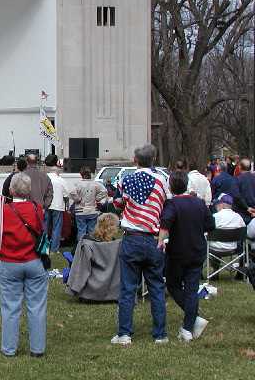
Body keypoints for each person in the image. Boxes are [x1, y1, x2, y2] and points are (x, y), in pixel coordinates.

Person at [111, 144, 168, 345]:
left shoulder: (127, 180)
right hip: (154, 238)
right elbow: (166, 203)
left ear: (136, 160)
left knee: (127, 288)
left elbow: (118, 202)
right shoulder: (162, 180)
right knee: (157, 288)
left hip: (132, 237)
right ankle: (160, 334)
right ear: (153, 159)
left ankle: (124, 333)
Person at [158, 170, 214, 342]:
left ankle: (192, 320)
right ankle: (189, 326)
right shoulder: (199, 203)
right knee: (191, 288)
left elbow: (166, 223)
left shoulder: (172, 204)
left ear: (171, 186)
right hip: (197, 250)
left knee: (174, 285)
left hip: (178, 252)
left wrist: (161, 241)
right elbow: (211, 224)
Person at [0, 173, 48, 357]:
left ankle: (9, 348)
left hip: (10, 262)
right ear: (29, 190)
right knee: (37, 307)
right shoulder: (37, 208)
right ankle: (37, 348)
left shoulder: (3, 210)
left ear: (11, 190)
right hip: (34, 261)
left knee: (10, 308)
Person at [66, 213, 122, 302]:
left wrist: (74, 288)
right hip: (113, 292)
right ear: (113, 228)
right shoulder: (119, 245)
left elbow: (82, 270)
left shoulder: (86, 243)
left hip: (90, 293)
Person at [70, 166, 108, 241]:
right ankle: (91, 247)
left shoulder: (78, 184)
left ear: (81, 174)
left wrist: (78, 199)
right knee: (92, 230)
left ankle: (81, 247)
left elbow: (72, 192)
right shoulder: (96, 184)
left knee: (81, 230)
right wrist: (97, 198)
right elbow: (104, 191)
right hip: (93, 210)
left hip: (80, 211)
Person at [44, 154, 69, 252]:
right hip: (58, 205)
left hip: (46, 205)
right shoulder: (61, 180)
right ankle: (54, 249)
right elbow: (66, 195)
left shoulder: (44, 179)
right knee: (56, 228)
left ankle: (44, 248)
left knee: (45, 228)